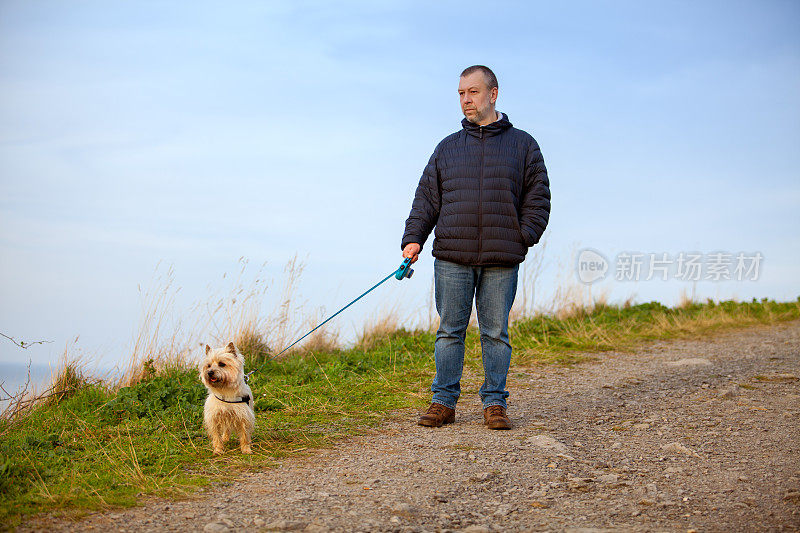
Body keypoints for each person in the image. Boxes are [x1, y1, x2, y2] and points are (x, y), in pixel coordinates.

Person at [401, 65, 551, 430]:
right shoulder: (448, 147)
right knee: (450, 329)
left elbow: (539, 198)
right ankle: (443, 402)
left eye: (473, 92)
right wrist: (413, 238)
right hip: (452, 255)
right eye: (461, 94)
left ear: (493, 94)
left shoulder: (523, 144)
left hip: (502, 257)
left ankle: (495, 403)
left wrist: (523, 235)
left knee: (495, 332)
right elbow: (426, 198)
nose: (467, 100)